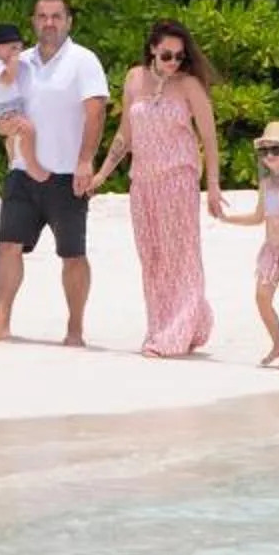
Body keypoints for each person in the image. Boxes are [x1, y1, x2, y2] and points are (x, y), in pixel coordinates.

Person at [0, 0, 109, 346]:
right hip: (21, 171)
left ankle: (75, 329)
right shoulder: (19, 61)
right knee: (7, 245)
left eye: (56, 16)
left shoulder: (83, 61)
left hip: (66, 173)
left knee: (73, 254)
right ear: (33, 22)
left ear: (69, 21)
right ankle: (0, 319)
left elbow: (96, 112)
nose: (49, 23)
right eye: (42, 16)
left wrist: (85, 161)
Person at [91, 21, 224, 358]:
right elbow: (125, 136)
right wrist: (101, 175)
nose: (173, 62)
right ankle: (168, 325)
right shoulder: (134, 78)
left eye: (179, 56)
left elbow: (208, 138)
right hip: (142, 183)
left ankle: (175, 333)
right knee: (151, 258)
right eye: (167, 55)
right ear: (152, 49)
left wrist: (212, 185)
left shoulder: (189, 85)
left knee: (181, 257)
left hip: (178, 180)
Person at [215, 119, 279, 370]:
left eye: (276, 150)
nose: (269, 155)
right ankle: (278, 343)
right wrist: (228, 219)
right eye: (265, 151)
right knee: (262, 297)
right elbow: (259, 218)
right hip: (270, 250)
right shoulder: (267, 184)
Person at [0, 23, 46, 181]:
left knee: (15, 136)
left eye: (18, 48)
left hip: (11, 107)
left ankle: (14, 161)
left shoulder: (5, 63)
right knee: (26, 129)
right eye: (13, 48)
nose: (17, 52)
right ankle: (31, 165)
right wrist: (14, 61)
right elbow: (8, 79)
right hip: (5, 109)